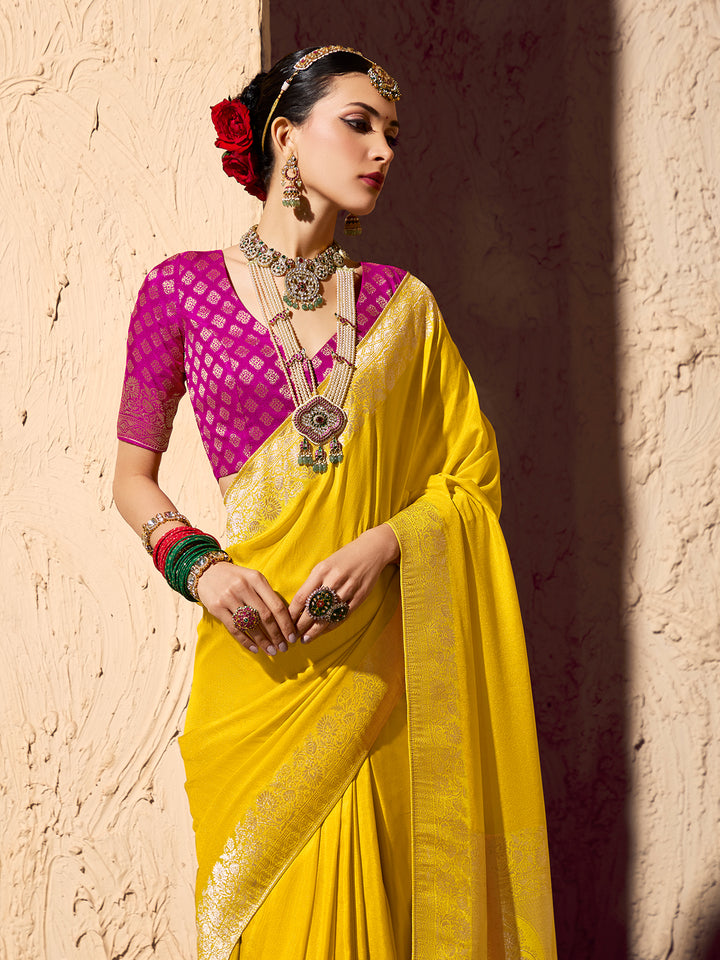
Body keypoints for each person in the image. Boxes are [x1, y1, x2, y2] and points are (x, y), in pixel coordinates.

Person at [113, 45, 557, 960]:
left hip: (373, 673)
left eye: (391, 134)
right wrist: (202, 568)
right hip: (255, 668)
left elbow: (471, 478)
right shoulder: (179, 291)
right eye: (358, 124)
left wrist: (389, 543)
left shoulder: (404, 307)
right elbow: (131, 478)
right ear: (284, 136)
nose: (383, 151)